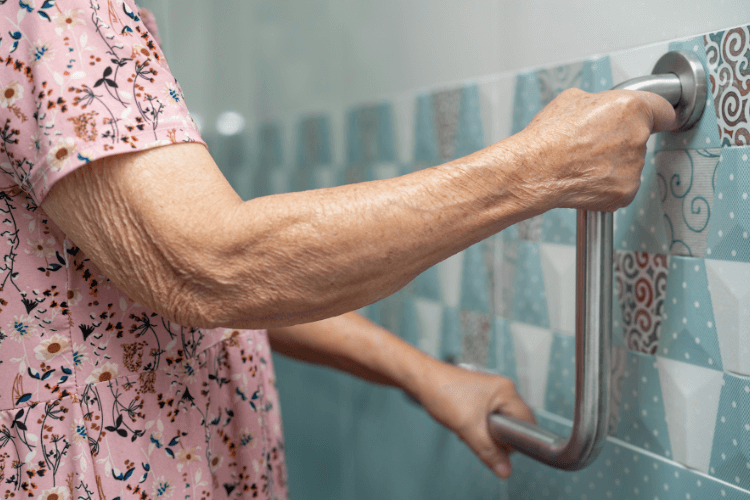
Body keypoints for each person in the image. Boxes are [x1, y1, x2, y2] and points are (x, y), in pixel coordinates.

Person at [0, 1, 678, 498]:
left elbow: (169, 284)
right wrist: (543, 168)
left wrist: (419, 371)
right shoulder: (57, 12)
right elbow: (208, 268)